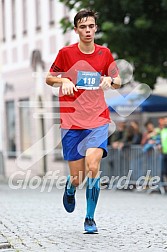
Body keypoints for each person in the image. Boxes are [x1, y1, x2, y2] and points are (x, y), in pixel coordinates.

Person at [46, 9, 121, 233]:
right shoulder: (66, 53)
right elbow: (49, 77)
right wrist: (63, 81)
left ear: (95, 28)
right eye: (83, 27)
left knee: (93, 165)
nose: (87, 30)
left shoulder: (104, 53)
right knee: (77, 178)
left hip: (97, 118)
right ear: (76, 29)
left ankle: (89, 218)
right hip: (71, 121)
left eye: (91, 26)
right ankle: (70, 188)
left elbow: (117, 80)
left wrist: (109, 79)